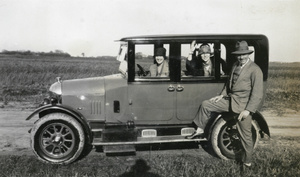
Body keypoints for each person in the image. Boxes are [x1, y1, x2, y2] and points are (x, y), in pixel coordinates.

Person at [187, 41, 264, 167]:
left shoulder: (255, 70)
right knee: (206, 104)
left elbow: (257, 94)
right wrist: (221, 95)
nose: (241, 57)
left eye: (244, 54)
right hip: (229, 100)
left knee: (245, 137)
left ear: (248, 54)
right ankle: (200, 129)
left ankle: (247, 162)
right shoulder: (235, 65)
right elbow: (228, 84)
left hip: (242, 107)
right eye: (239, 55)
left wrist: (248, 110)